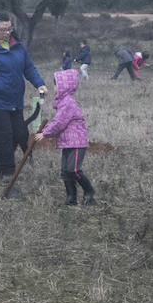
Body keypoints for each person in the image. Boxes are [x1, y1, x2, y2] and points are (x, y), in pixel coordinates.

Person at [0, 13, 46, 198]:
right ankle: (7, 171)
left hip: (15, 100)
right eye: (3, 29)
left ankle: (0, 157)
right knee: (4, 135)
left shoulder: (18, 48)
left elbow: (28, 68)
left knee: (19, 133)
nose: (7, 32)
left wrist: (39, 83)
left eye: (9, 28)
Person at [34, 68, 95, 205]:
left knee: (73, 170)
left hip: (77, 143)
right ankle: (71, 199)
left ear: (64, 86)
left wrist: (45, 133)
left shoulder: (68, 103)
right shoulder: (63, 102)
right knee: (65, 172)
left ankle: (89, 191)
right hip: (68, 143)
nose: (54, 87)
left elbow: (59, 123)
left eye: (56, 84)